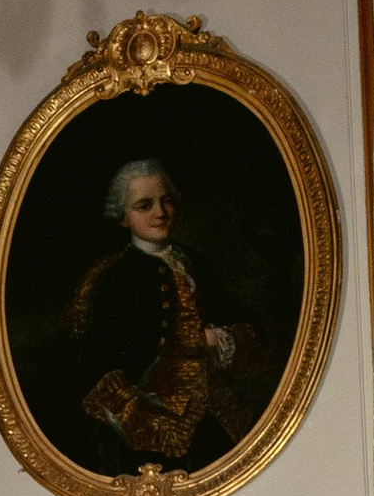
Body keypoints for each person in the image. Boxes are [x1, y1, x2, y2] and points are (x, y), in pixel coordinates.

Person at [64, 161, 264, 472]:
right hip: (151, 424)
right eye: (145, 205)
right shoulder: (116, 277)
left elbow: (246, 327)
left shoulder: (192, 262)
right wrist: (139, 417)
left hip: (213, 408)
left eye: (166, 201)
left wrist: (216, 339)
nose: (160, 212)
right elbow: (97, 364)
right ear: (122, 217)